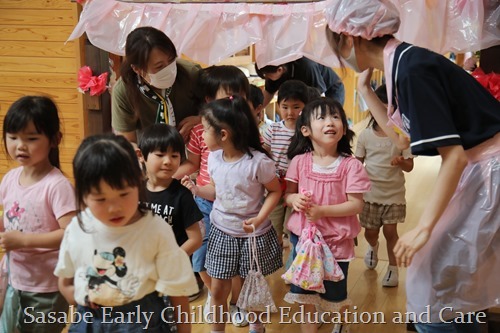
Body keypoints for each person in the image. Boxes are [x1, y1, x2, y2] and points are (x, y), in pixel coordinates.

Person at [325, 0, 500, 332]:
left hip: (489, 166)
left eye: (336, 45)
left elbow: (455, 157)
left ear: (350, 38)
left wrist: (423, 229)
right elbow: (401, 139)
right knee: (444, 280)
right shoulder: (403, 63)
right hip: (482, 167)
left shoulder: (411, 68)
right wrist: (364, 89)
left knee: (436, 278)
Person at [55, 133, 198, 333]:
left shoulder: (156, 230)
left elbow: (178, 295)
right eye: (100, 199)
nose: (114, 208)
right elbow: (65, 282)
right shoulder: (77, 228)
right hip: (90, 320)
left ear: (139, 182)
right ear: (83, 196)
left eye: (123, 194)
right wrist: (82, 297)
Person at [182, 96, 282, 333]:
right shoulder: (215, 158)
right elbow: (216, 191)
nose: (202, 134)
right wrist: (196, 189)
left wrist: (259, 219)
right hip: (222, 231)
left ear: (223, 135)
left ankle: (257, 328)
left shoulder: (257, 163)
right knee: (217, 290)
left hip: (252, 236)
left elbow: (275, 191)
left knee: (252, 288)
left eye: (205, 130)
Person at [283, 97, 370, 333]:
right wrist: (294, 200)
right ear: (306, 130)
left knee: (335, 294)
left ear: (343, 128)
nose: (330, 122)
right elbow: (287, 196)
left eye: (335, 117)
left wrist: (322, 212)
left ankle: (341, 324)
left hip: (335, 242)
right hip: (303, 241)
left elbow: (356, 205)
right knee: (303, 294)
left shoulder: (351, 166)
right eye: (321, 117)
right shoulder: (300, 162)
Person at [174, 65, 251, 326]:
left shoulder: (245, 132)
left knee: (238, 261)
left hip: (235, 207)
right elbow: (192, 164)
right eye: (228, 97)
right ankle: (215, 294)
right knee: (200, 258)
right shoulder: (199, 132)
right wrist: (164, 177)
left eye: (239, 97)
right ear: (208, 100)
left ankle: (237, 303)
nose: (234, 103)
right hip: (204, 204)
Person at [0, 96, 76, 333]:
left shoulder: (57, 185)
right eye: (13, 137)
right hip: (14, 279)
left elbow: (70, 232)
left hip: (47, 287)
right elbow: (8, 218)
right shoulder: (10, 178)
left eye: (31, 139)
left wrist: (23, 241)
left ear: (55, 140)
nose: (20, 146)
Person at [355, 84, 414, 287]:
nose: (387, 112)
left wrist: (401, 162)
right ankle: (372, 246)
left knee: (391, 232)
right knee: (370, 232)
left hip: (394, 195)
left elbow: (410, 166)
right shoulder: (365, 135)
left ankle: (392, 268)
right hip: (370, 195)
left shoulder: (402, 137)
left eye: (392, 107)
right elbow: (357, 163)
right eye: (382, 107)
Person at [112, 26, 203, 143]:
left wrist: (201, 119)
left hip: (194, 150)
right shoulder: (123, 91)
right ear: (137, 69)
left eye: (171, 60)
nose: (169, 69)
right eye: (159, 67)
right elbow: (128, 142)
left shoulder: (191, 73)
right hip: (150, 153)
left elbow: (224, 109)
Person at [138, 123, 203, 255]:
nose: (168, 161)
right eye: (160, 155)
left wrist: (171, 260)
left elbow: (195, 239)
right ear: (141, 156)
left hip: (173, 269)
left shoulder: (182, 195)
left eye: (174, 156)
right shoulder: (135, 192)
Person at [263, 80, 310, 247]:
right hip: (275, 183)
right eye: (285, 107)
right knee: (273, 224)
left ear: (306, 106)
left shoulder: (307, 131)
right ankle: (276, 257)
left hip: (297, 185)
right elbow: (265, 152)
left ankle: (294, 259)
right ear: (278, 105)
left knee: (294, 226)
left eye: (296, 107)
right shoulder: (272, 129)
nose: (290, 112)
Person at [255, 56, 345, 107]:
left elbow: (318, 97)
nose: (267, 79)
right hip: (307, 91)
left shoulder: (306, 66)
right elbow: (267, 94)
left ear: (280, 70)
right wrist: (256, 110)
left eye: (268, 76)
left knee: (330, 116)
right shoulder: (272, 69)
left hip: (331, 88)